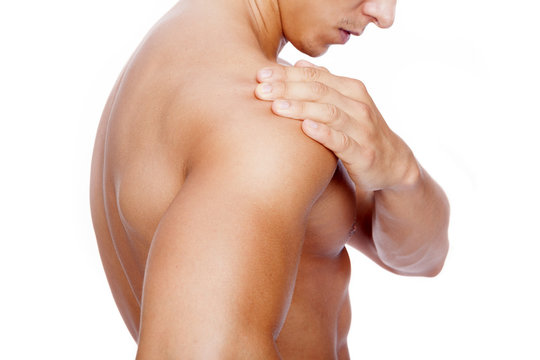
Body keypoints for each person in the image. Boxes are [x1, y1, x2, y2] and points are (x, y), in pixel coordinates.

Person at [89, 0, 450, 358]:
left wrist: (401, 172)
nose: (384, 16)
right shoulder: (264, 119)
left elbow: (421, 257)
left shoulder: (180, 63)